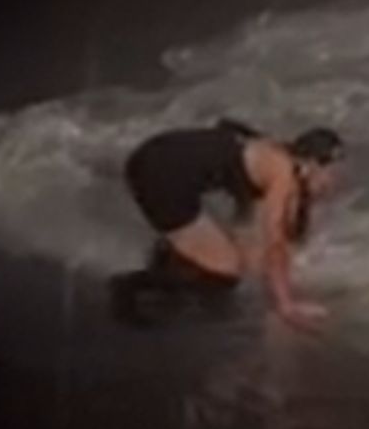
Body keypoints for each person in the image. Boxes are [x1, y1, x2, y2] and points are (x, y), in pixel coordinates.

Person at [110, 118, 345, 325]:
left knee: (227, 261)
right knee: (225, 272)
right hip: (158, 173)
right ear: (313, 164)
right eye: (332, 173)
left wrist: (257, 264)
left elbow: (247, 224)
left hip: (155, 154)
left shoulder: (274, 155)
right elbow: (275, 244)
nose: (332, 183)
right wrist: (287, 306)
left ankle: (169, 258)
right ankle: (131, 286)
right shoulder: (283, 174)